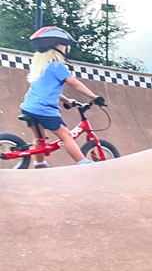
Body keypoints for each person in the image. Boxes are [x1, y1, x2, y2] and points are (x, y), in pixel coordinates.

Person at [20, 26, 105, 167]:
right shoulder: (57, 66)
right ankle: (83, 162)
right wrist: (93, 96)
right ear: (60, 49)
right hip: (44, 109)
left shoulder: (40, 67)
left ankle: (39, 164)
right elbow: (74, 82)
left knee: (39, 138)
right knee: (66, 136)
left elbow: (47, 90)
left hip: (29, 107)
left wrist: (67, 100)